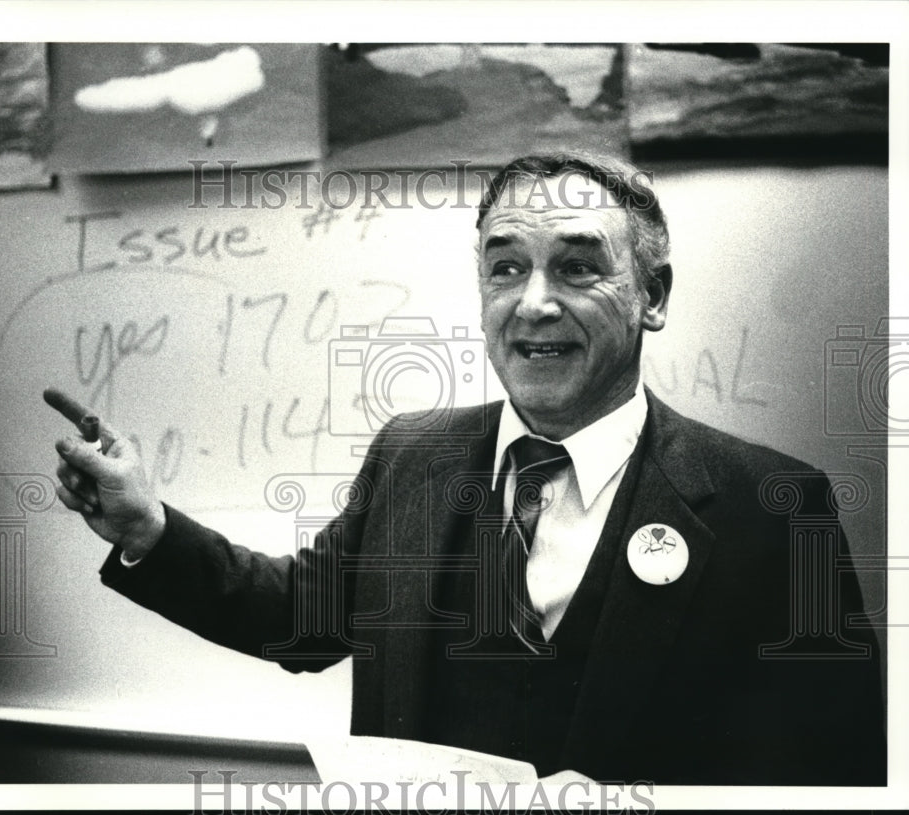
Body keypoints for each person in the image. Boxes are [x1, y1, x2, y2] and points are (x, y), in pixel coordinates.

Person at [49, 151, 885, 785]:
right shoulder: (414, 454)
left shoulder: (774, 508)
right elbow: (301, 619)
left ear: (654, 295)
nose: (533, 302)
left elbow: (835, 772)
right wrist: (144, 530)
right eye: (506, 265)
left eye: (579, 265)